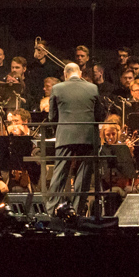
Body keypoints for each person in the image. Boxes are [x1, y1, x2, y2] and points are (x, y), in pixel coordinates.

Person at [45, 62, 105, 212]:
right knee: (84, 174)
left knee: (59, 173)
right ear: (80, 74)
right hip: (88, 137)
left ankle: (52, 210)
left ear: (65, 75)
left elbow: (52, 116)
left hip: (65, 136)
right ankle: (77, 210)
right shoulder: (92, 88)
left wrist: (59, 130)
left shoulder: (57, 88)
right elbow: (99, 115)